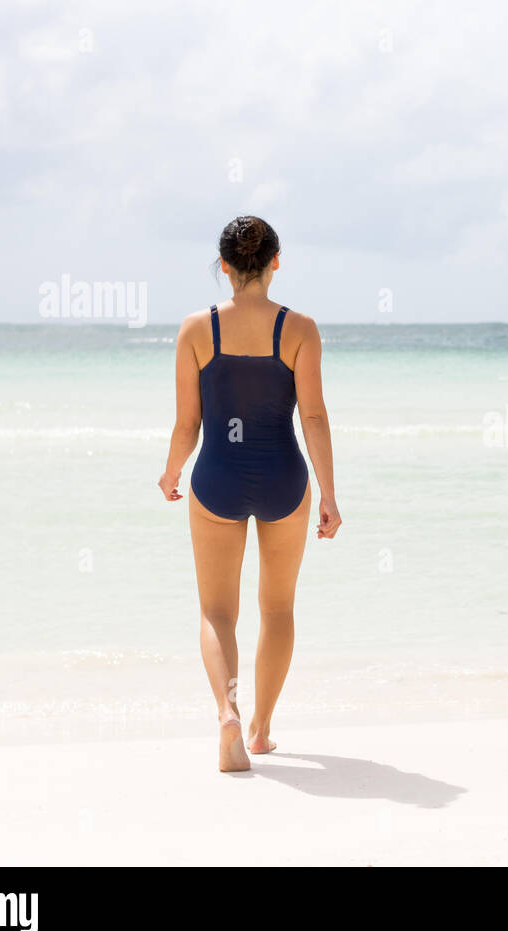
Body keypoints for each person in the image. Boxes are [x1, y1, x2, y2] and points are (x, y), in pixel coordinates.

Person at [158, 215, 341, 772]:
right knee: (277, 608)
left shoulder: (196, 329)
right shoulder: (300, 329)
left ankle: (228, 715)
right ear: (276, 262)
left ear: (224, 267)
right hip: (284, 478)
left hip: (217, 479)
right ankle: (262, 730)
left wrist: (170, 473)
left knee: (217, 612)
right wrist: (329, 494)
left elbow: (188, 423)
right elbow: (313, 415)